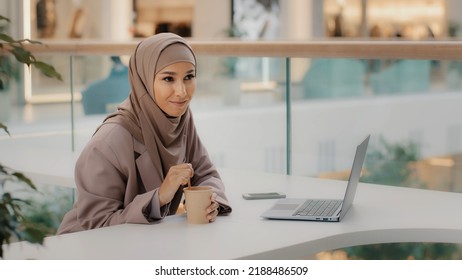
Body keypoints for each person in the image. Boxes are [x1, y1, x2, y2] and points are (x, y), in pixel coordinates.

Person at [58, 33, 232, 234]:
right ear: (144, 80)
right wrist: (158, 198)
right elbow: (97, 223)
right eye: (168, 78)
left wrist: (212, 201)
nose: (182, 92)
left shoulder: (178, 118)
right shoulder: (108, 141)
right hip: (85, 250)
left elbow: (206, 173)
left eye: (189, 77)